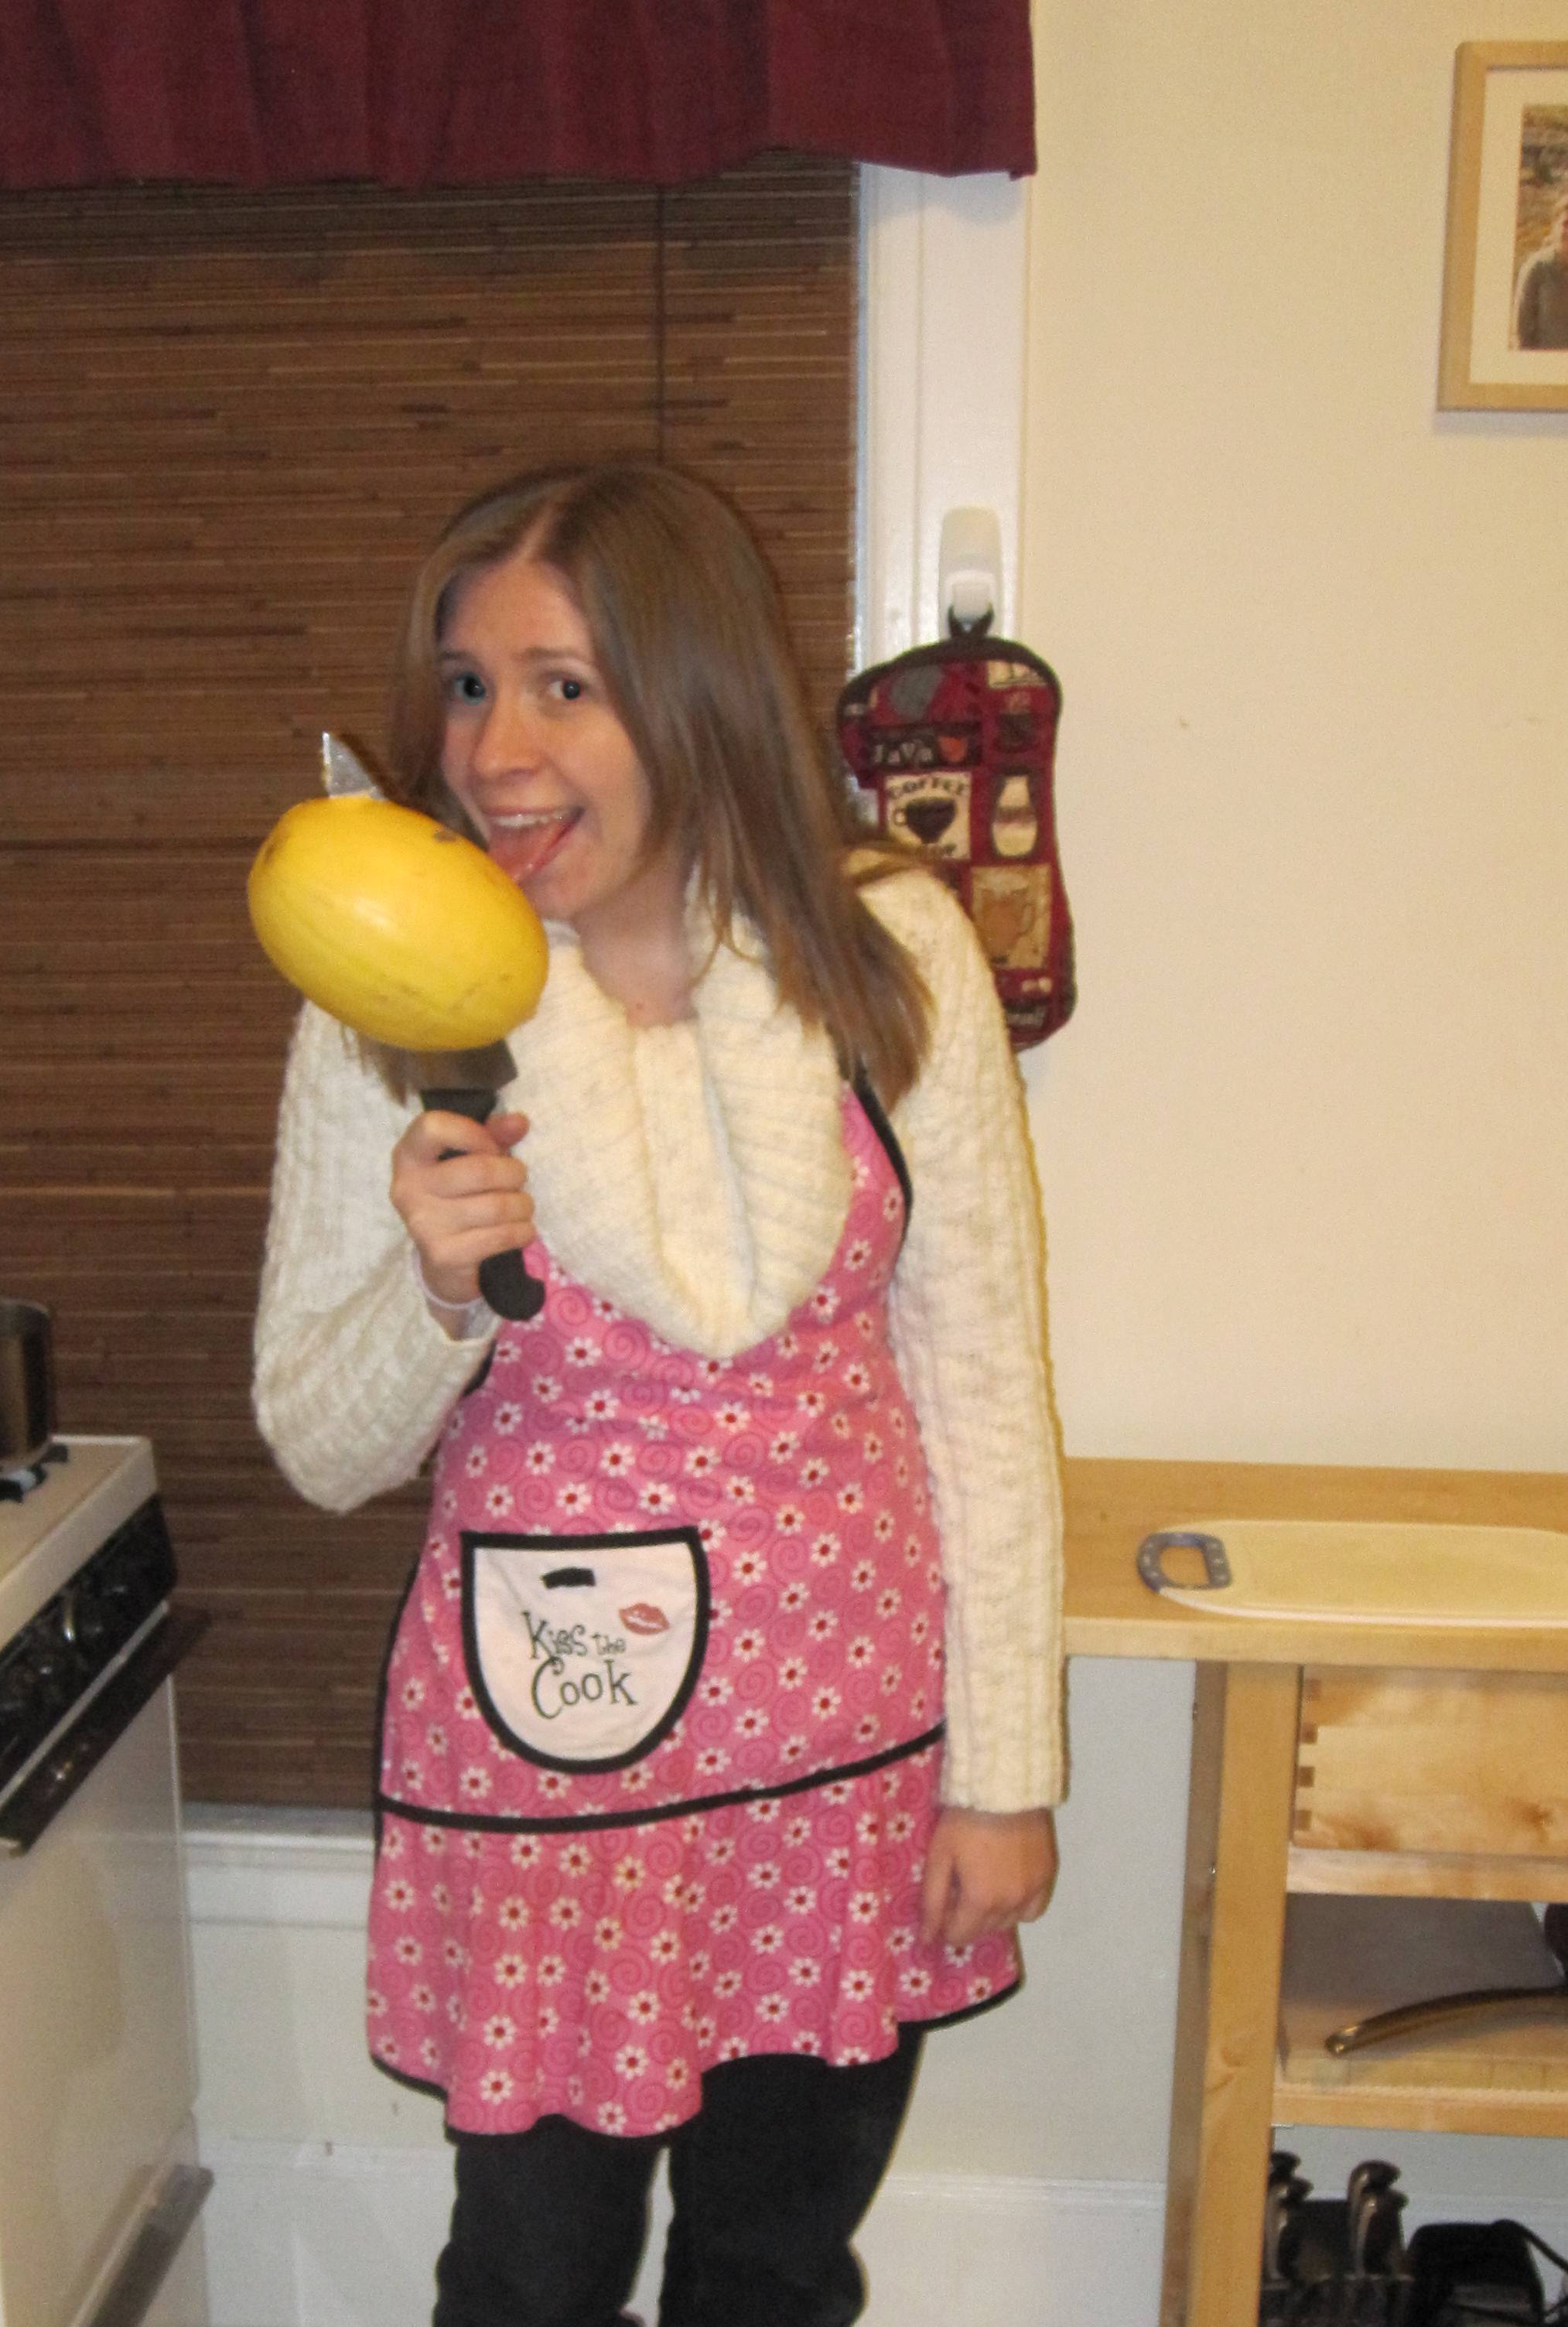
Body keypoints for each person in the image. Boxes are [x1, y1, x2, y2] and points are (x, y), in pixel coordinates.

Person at [253, 462, 1064, 2327]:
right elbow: (316, 1432)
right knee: (526, 2280)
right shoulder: (386, 996)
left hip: (844, 1766)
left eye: (562, 683)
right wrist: (438, 1290)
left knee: (776, 2267)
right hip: (555, 1766)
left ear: (689, 692)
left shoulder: (883, 951)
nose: (494, 749)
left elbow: (979, 1385)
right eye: (464, 685)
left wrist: (1004, 1766)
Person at [1514, 191, 1568, 350]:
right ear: (1555, 226)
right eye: (1566, 224)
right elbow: (1522, 332)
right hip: (1543, 368)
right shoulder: (1536, 269)